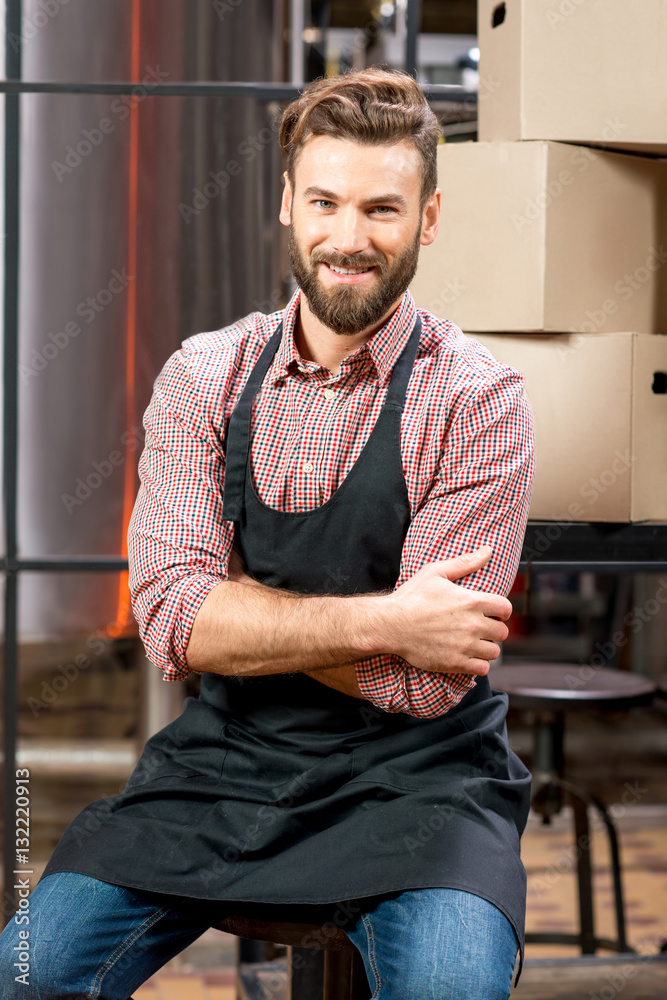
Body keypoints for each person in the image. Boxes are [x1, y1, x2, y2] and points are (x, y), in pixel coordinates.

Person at [0, 67, 534, 999]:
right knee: (27, 974)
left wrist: (242, 612)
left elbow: (426, 680)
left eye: (382, 209)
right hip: (224, 765)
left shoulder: (477, 399)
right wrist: (389, 619)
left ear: (429, 218)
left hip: (423, 784)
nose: (348, 239)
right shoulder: (206, 374)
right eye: (324, 201)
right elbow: (173, 623)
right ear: (287, 202)